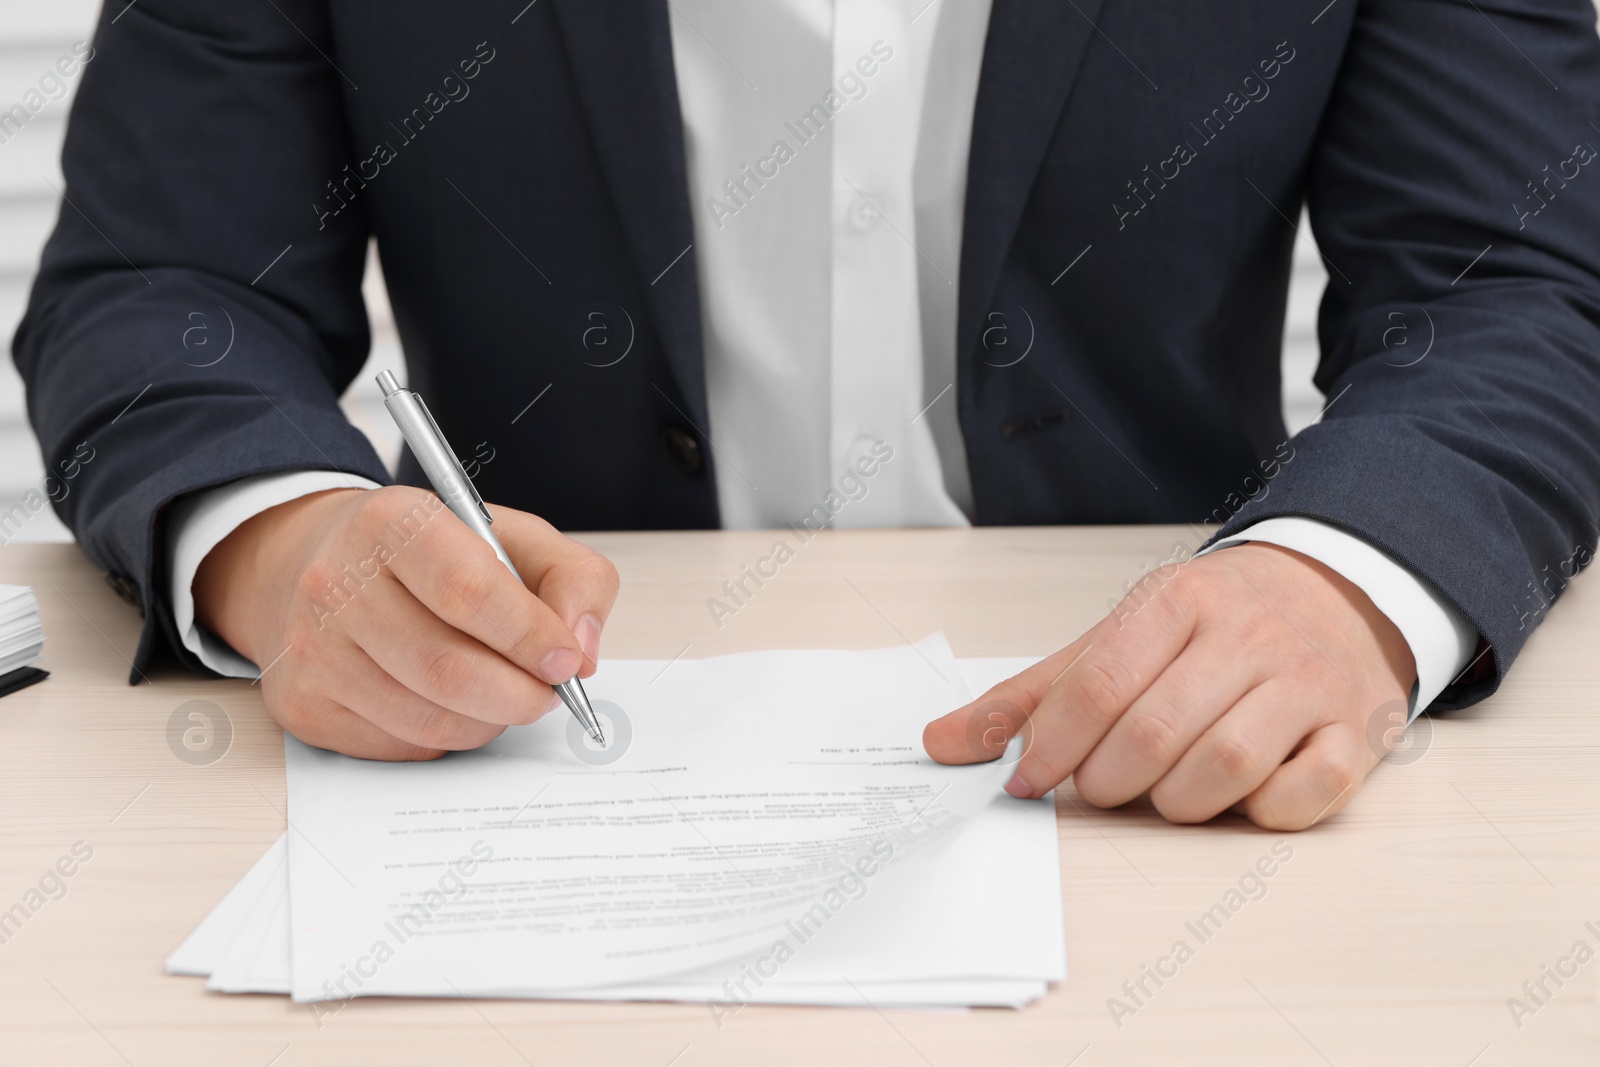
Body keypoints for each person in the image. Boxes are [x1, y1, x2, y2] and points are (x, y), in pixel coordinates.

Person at [15, 0, 1600, 831]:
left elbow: (1520, 286)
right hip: (515, 790)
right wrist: (289, 551)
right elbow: (159, 275)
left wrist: (1345, 577)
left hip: (1160, 771)